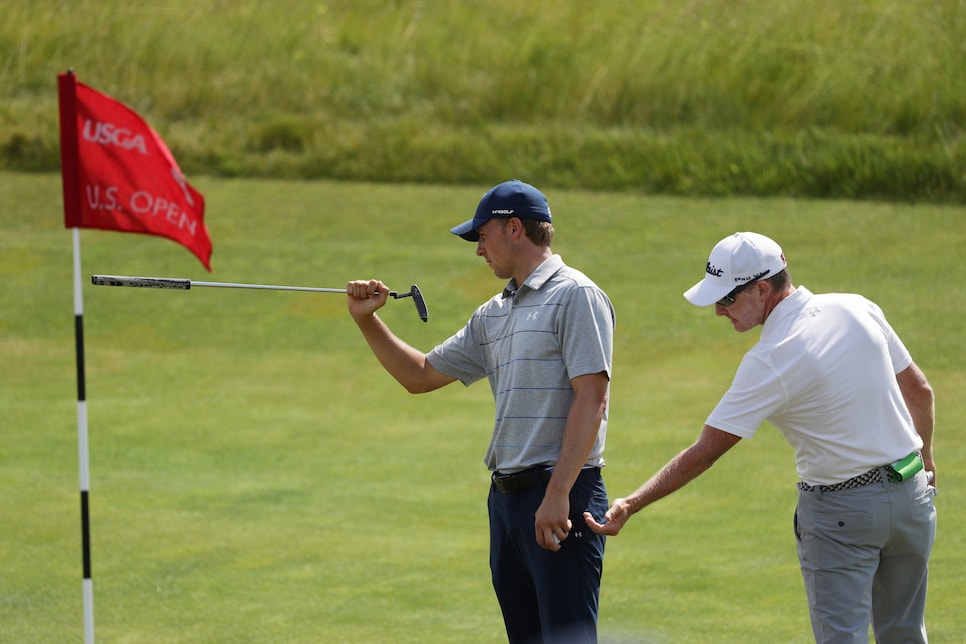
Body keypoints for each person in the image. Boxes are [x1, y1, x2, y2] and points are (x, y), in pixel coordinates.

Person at [584, 232, 937, 643]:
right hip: (912, 496)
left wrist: (632, 503)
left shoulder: (771, 359)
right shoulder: (858, 306)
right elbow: (921, 391)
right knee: (906, 634)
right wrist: (925, 463)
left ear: (763, 288)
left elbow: (704, 453)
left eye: (727, 299)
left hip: (842, 515)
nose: (717, 310)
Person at [346, 180, 615, 643]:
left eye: (481, 236)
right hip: (507, 503)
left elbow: (592, 398)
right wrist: (367, 319)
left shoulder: (576, 295)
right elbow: (421, 375)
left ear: (515, 228)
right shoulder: (493, 314)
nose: (478, 250)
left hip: (561, 494)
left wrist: (558, 493)